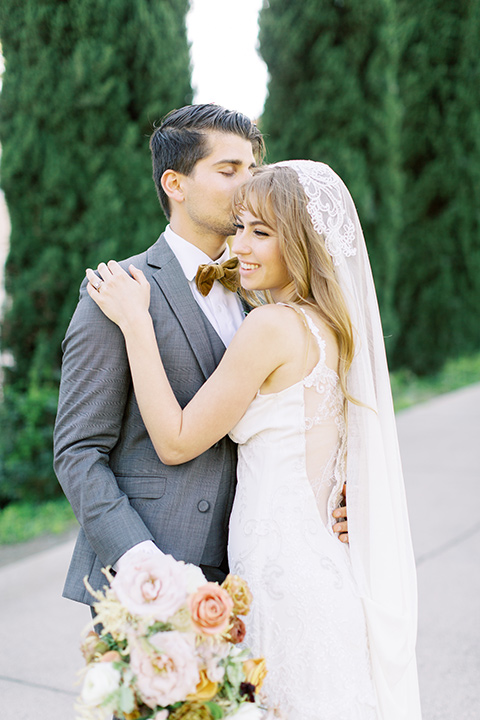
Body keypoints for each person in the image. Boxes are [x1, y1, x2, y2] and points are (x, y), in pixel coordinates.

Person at [85, 161, 422, 720]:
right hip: (319, 566)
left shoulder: (269, 328)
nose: (239, 245)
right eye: (239, 226)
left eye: (261, 233)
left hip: (280, 576)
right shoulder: (330, 326)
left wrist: (136, 324)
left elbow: (175, 440)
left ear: (304, 242)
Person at [53, 103, 350, 607]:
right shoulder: (116, 293)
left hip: (257, 572)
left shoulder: (263, 291)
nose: (248, 184)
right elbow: (77, 452)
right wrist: (140, 559)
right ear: (175, 183)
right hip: (149, 580)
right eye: (228, 170)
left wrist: (341, 491)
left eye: (253, 169)